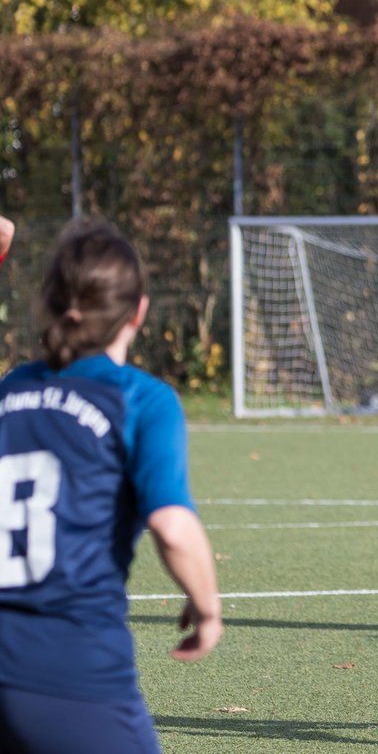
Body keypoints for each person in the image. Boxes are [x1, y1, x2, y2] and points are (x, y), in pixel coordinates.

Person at [0, 219, 223, 752]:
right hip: (71, 670)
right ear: (139, 311)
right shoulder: (141, 399)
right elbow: (172, 526)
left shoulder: (11, 388)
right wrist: (207, 606)